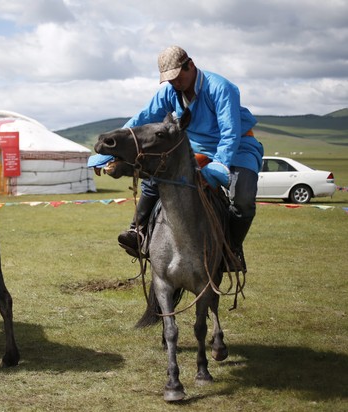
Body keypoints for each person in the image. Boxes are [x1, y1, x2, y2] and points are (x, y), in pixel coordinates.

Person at [93, 46, 263, 270]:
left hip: (238, 145)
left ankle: (230, 250)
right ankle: (138, 231)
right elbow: (141, 119)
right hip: (197, 147)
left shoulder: (221, 88)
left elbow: (230, 133)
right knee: (158, 173)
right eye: (169, 79)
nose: (174, 83)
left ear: (190, 65)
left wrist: (219, 166)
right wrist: (111, 150)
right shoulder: (169, 92)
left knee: (243, 197)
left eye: (177, 76)